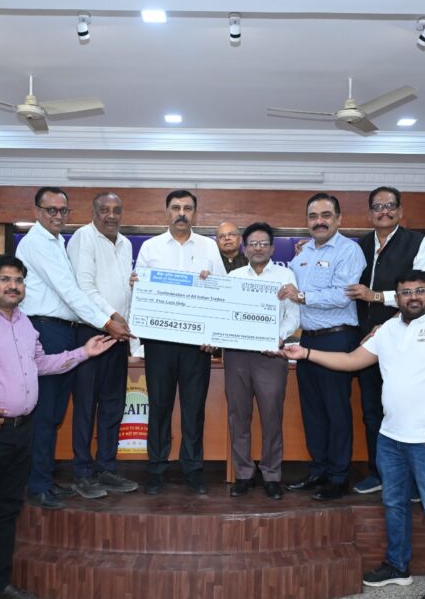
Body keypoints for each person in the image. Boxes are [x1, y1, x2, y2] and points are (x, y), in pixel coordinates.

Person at [283, 270, 425, 599]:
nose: (413, 297)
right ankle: (397, 567)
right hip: (390, 437)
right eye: (406, 292)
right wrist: (307, 353)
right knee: (394, 503)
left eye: (420, 290)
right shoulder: (387, 329)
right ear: (396, 297)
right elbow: (351, 361)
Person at [0, 254, 115, 599]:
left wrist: (84, 352)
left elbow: (41, 364)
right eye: (5, 279)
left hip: (22, 430)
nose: (13, 286)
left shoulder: (26, 322)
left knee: (7, 508)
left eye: (18, 281)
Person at [16, 186, 131, 508]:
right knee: (46, 411)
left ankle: (46, 480)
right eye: (50, 210)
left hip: (66, 332)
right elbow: (72, 290)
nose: (57, 215)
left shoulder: (56, 242)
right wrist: (108, 322)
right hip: (47, 330)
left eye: (62, 210)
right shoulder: (37, 243)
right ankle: (39, 484)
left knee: (54, 413)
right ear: (37, 211)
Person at [345, 186, 425, 495]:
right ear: (369, 213)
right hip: (368, 343)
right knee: (372, 410)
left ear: (400, 211)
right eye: (377, 207)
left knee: (406, 408)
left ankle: (414, 481)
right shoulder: (360, 245)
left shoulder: (417, 242)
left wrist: (376, 297)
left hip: (406, 340)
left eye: (390, 206)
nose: (384, 212)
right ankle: (379, 473)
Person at [134, 189, 225, 494]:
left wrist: (214, 336)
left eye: (187, 208)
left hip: (197, 345)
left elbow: (222, 292)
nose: (181, 213)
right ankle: (156, 468)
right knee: (159, 407)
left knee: (193, 409)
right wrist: (136, 283)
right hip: (159, 343)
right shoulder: (150, 247)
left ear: (195, 213)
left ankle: (193, 469)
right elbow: (139, 292)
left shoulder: (209, 247)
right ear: (167, 212)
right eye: (176, 208)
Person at [278, 192, 366, 501]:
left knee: (336, 410)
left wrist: (302, 296)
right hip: (307, 340)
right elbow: (285, 290)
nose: (319, 221)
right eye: (313, 216)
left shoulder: (349, 250)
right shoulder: (302, 254)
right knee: (313, 410)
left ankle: (339, 476)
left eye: (326, 215)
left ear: (339, 219)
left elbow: (343, 295)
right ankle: (319, 470)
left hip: (337, 339)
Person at [66, 192, 140, 497]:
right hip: (91, 332)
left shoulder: (125, 244)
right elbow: (84, 288)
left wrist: (129, 321)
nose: (111, 215)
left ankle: (106, 468)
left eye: (117, 210)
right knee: (86, 406)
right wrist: (112, 318)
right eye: (105, 210)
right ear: (94, 212)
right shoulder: (83, 237)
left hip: (119, 337)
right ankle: (83, 473)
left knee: (113, 406)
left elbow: (124, 292)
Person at [225, 222, 300, 499]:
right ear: (245, 248)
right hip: (237, 355)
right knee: (238, 416)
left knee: (271, 416)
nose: (258, 248)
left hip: (271, 356)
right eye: (253, 244)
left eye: (263, 243)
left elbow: (293, 316)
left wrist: (277, 338)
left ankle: (271, 474)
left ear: (272, 248)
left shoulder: (285, 275)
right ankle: (243, 474)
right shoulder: (233, 277)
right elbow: (223, 314)